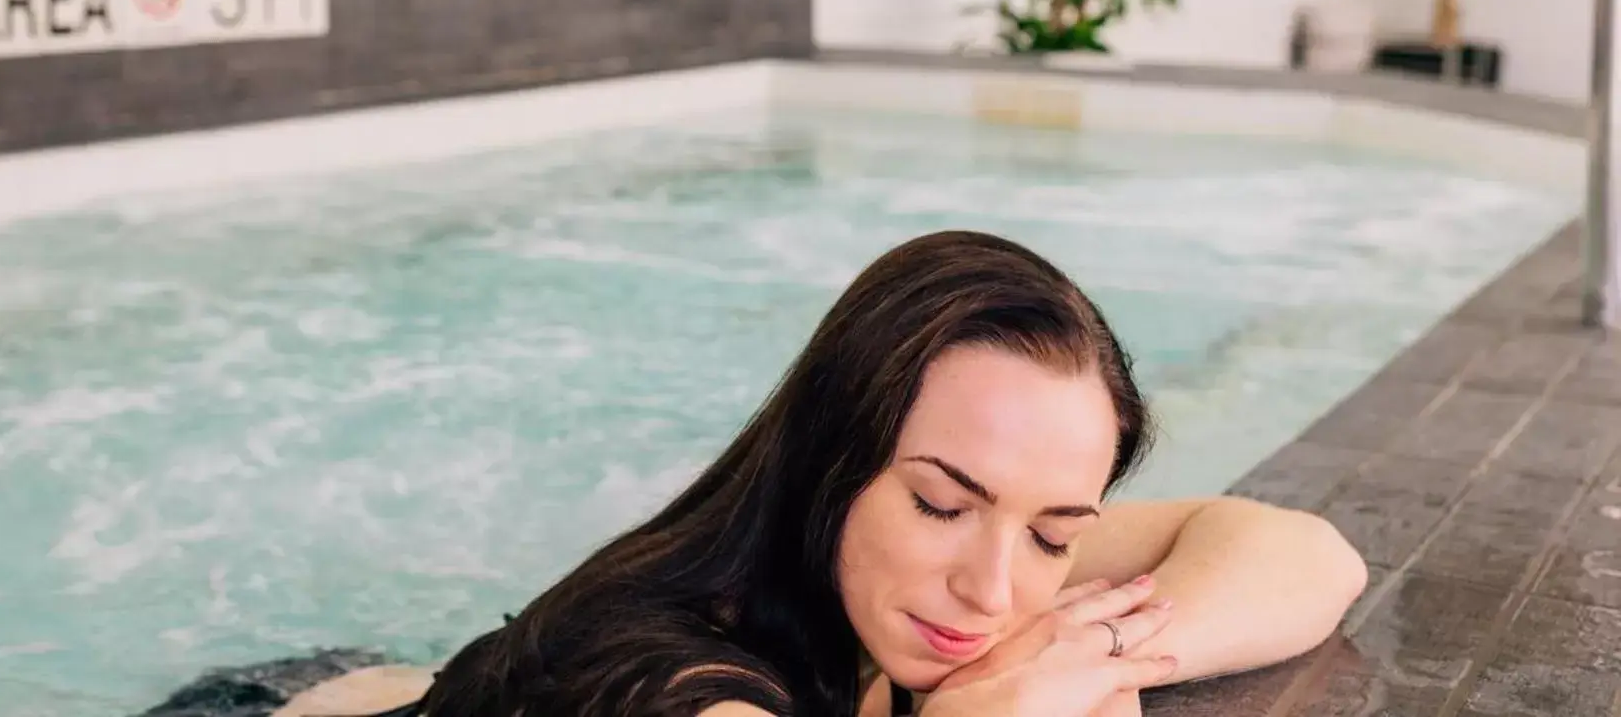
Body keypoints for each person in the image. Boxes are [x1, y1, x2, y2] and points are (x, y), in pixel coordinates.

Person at [280, 230, 1368, 717]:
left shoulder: (952, 596)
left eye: (1052, 535)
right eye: (941, 504)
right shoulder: (675, 683)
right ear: (828, 459)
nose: (991, 593)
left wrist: (1090, 655)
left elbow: (1308, 559)